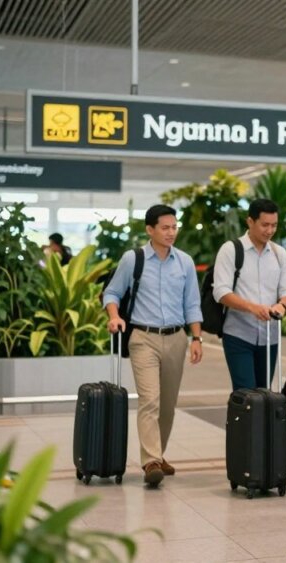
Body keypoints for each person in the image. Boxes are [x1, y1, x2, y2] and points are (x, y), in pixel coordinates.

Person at [102, 204, 203, 487]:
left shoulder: (185, 262)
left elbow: (192, 303)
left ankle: (159, 453)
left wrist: (196, 338)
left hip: (176, 338)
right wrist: (114, 316)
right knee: (150, 400)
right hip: (143, 338)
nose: (171, 232)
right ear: (150, 230)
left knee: (168, 405)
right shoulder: (133, 259)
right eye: (165, 228)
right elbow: (112, 291)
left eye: (174, 227)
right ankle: (151, 462)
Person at [212, 198, 286, 390]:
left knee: (264, 393)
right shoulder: (231, 250)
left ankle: (259, 422)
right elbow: (221, 291)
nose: (269, 230)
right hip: (238, 335)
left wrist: (282, 305)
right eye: (265, 225)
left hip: (270, 337)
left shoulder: (279, 253)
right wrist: (253, 308)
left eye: (274, 225)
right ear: (250, 222)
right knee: (246, 393)